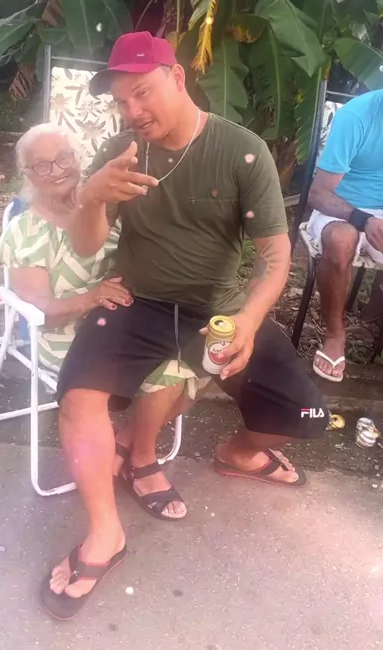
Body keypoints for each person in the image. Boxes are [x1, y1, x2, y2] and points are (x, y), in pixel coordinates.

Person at [42, 31, 329, 620]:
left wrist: (248, 321)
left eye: (142, 93)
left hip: (219, 311)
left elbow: (276, 256)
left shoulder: (241, 151)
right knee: (78, 398)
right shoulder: (122, 150)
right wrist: (91, 199)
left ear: (177, 77)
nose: (133, 111)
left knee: (303, 415)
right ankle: (105, 534)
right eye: (122, 101)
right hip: (137, 301)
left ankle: (238, 454)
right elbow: (87, 243)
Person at [0, 123, 197, 520]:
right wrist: (91, 297)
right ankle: (139, 466)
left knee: (187, 372)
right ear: (28, 174)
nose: (56, 170)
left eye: (63, 158)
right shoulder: (26, 232)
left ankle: (133, 449)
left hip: (122, 322)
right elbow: (40, 308)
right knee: (105, 390)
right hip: (64, 334)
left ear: (78, 159)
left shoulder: (106, 207)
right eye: (42, 165)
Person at [308, 89, 383, 382]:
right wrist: (363, 219)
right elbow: (318, 194)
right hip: (341, 208)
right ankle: (334, 335)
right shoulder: (358, 115)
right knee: (341, 241)